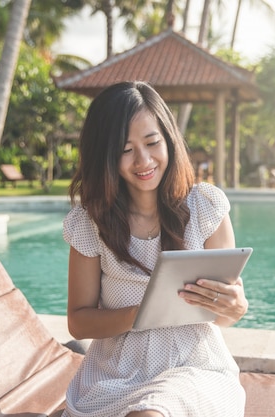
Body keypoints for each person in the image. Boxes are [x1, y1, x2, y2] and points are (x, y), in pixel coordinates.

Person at [61, 81, 248, 417]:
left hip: (195, 369)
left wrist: (234, 307)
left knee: (152, 412)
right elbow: (79, 321)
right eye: (125, 149)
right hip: (115, 376)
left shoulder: (205, 208)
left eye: (152, 142)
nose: (143, 160)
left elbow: (223, 315)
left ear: (169, 140)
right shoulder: (89, 224)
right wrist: (143, 314)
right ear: (104, 154)